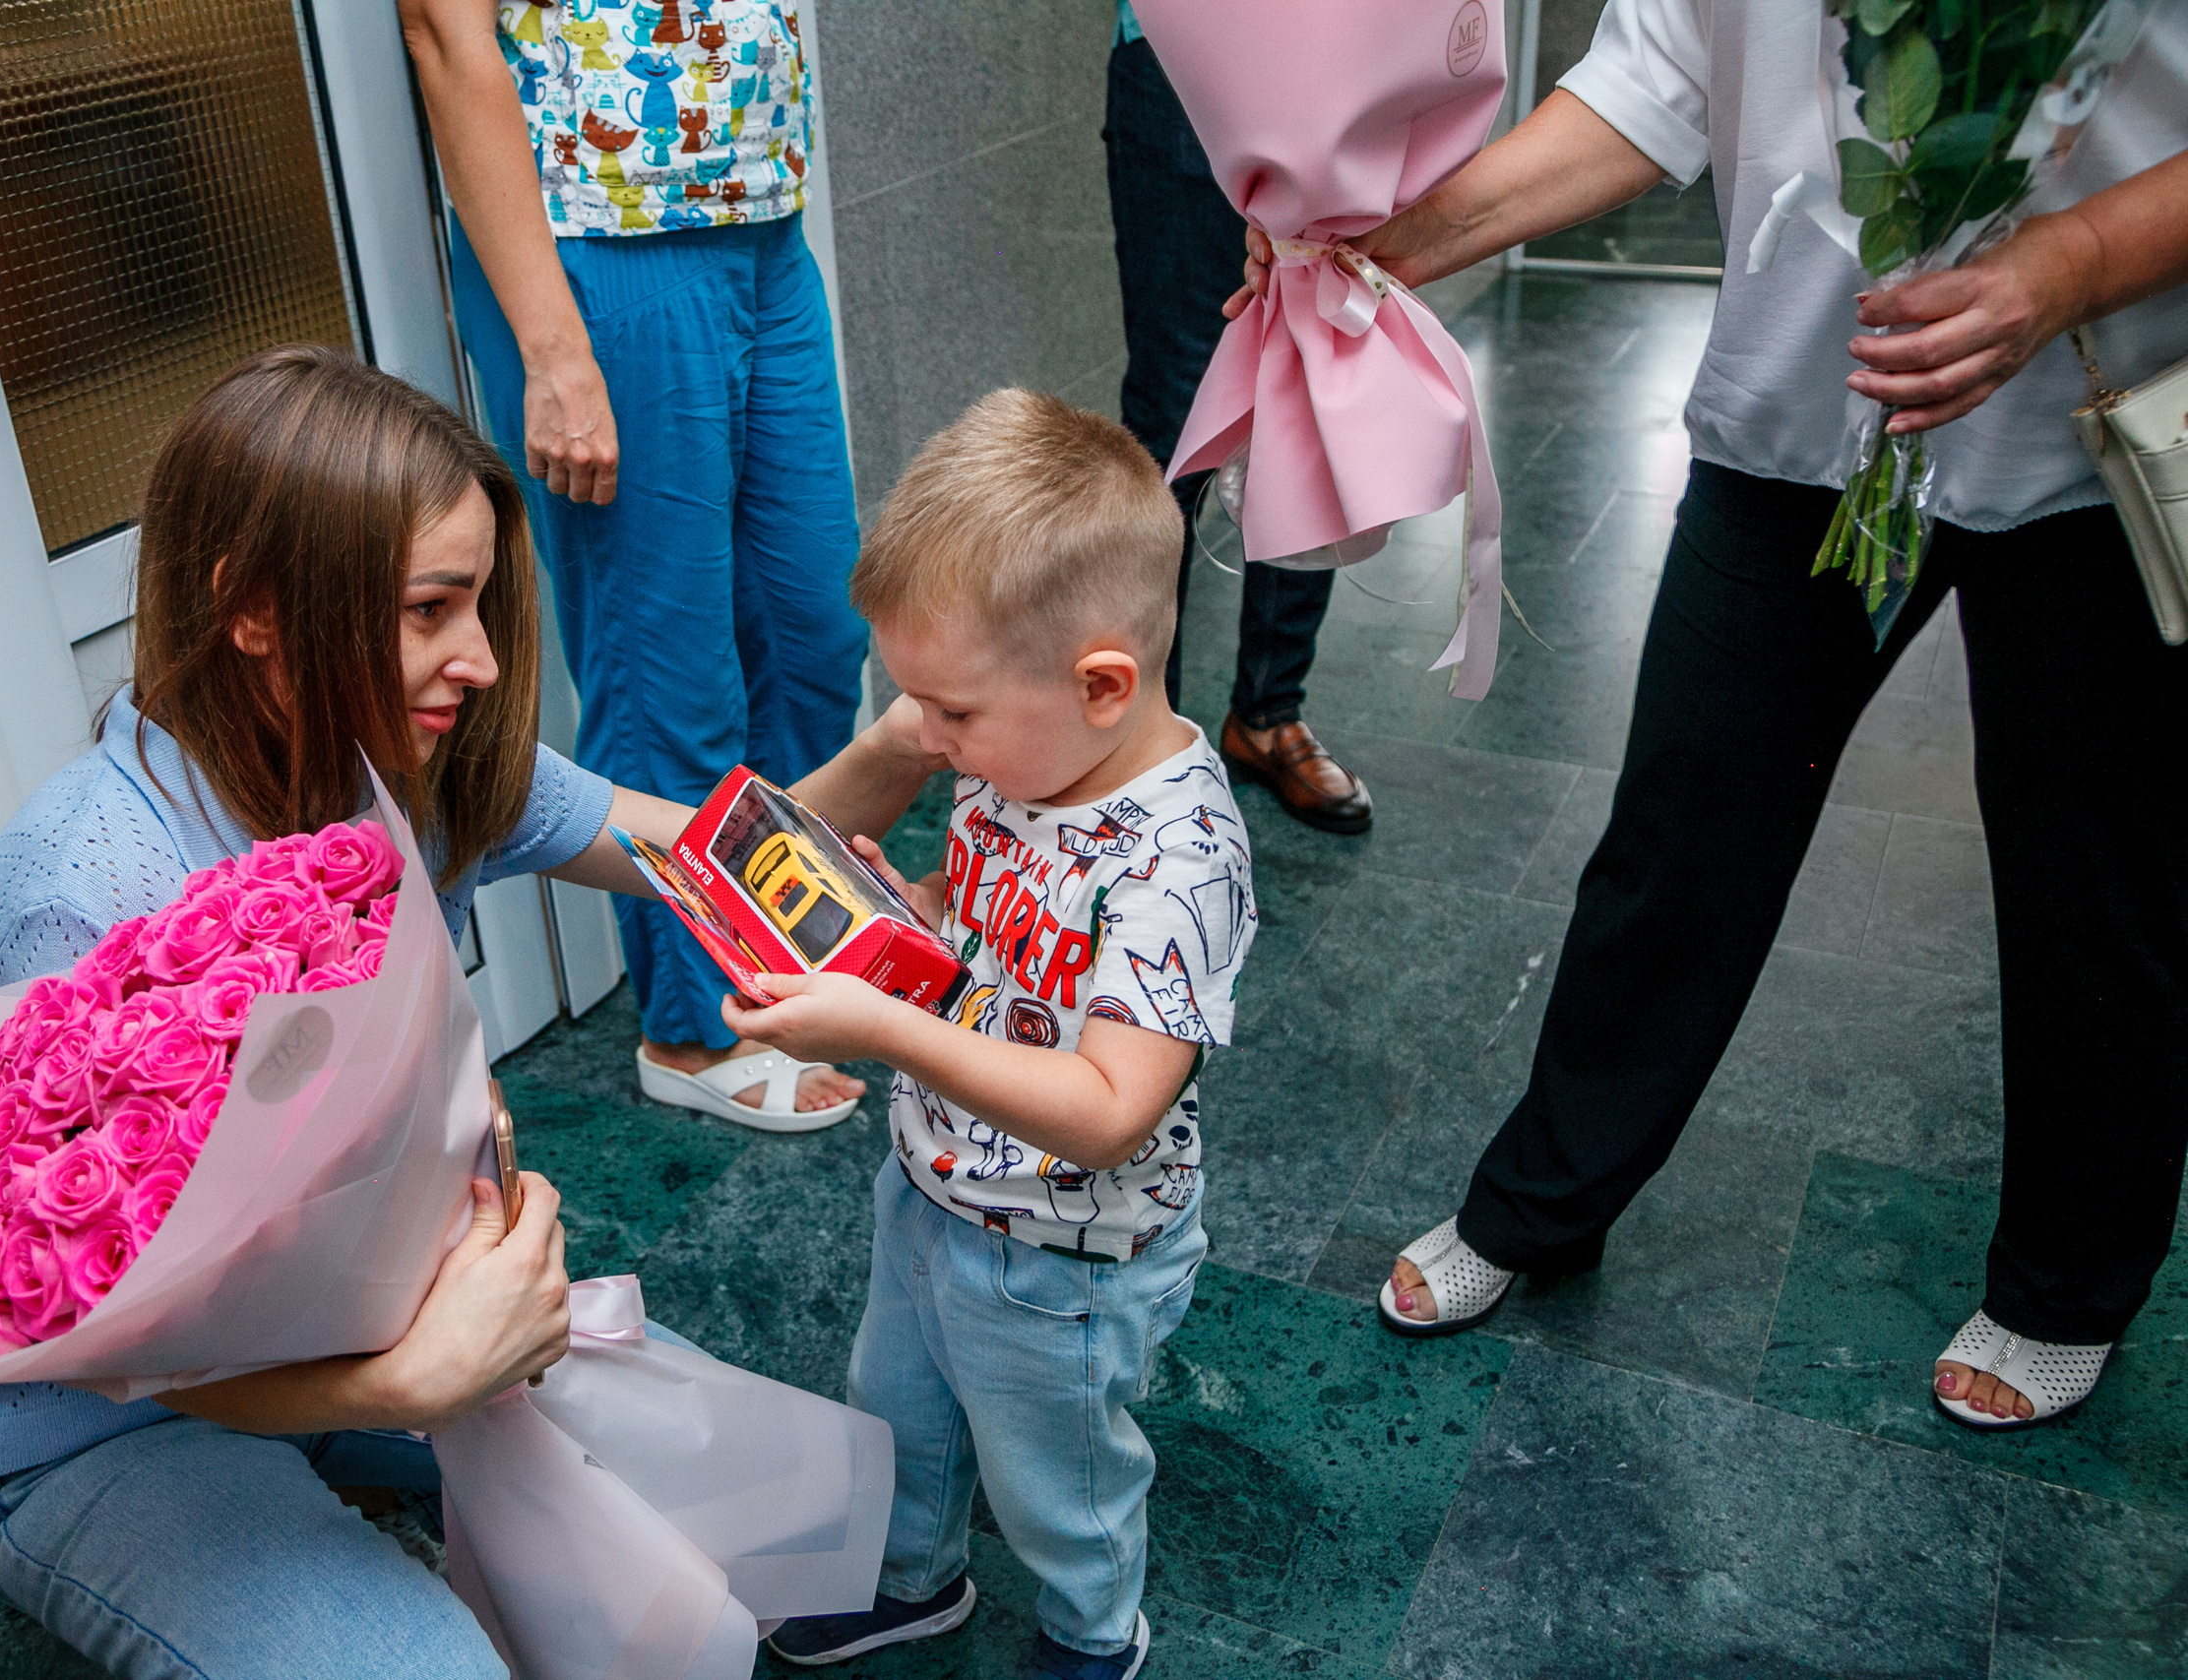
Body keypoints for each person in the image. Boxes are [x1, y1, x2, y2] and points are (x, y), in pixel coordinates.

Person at [1228, 3, 2188, 1432]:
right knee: (1681, 833)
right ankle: (1548, 1193)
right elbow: (1661, 72)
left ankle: (2070, 1280)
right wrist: (1389, 243)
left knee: (2093, 885)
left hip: (2098, 422)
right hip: (1804, 405)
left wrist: (2071, 260)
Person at [0, 347, 938, 1676]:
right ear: (253, 608)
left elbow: (717, 861)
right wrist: (406, 1387)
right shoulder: (75, 897)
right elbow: (81, 1337)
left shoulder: (413, 756)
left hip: (376, 1323)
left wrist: (914, 740)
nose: (477, 659)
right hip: (119, 1425)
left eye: (476, 603)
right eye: (430, 608)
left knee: (786, 1510)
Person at [749, 391, 1256, 1680]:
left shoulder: (1179, 859)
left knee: (1058, 1475)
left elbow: (1109, 1109)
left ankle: (1093, 1630)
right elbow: (995, 930)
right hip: (932, 1182)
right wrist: (907, 915)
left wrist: (885, 1029)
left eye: (952, 711)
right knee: (896, 1416)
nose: (926, 738)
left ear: (1102, 685)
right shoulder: (1022, 759)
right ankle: (909, 1579)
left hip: (1065, 1254)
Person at [403, 0, 875, 1131]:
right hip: (600, 243)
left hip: (761, 218)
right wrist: (554, 351)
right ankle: (696, 1028)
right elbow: (445, 34)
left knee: (816, 632)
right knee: (668, 673)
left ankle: (798, 960)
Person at [1103, 2, 1372, 835]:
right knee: (1173, 420)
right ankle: (1140, 740)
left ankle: (1267, 711)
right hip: (1183, 54)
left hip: (1334, 61)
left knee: (1311, 397)